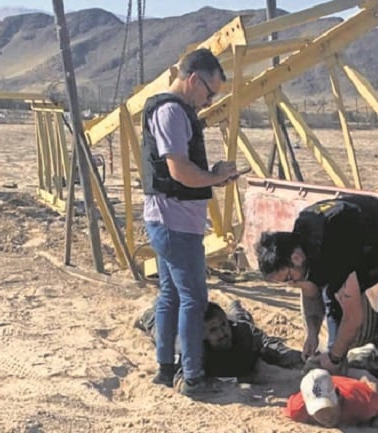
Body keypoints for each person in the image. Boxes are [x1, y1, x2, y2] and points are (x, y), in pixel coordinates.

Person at [255, 195, 378, 409]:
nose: (292, 283)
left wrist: (334, 357)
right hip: (365, 244)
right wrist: (312, 334)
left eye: (290, 278)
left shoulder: (334, 247)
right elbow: (310, 291)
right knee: (331, 298)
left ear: (297, 258)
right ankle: (337, 373)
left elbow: (354, 318)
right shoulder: (301, 244)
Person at [141, 47, 239, 398]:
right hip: (175, 222)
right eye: (209, 92)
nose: (207, 100)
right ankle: (193, 374)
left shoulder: (172, 111)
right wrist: (214, 178)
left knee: (170, 295)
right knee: (193, 299)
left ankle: (166, 368)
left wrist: (213, 176)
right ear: (194, 80)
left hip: (169, 219)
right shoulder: (171, 112)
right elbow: (179, 171)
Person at [136, 300, 304, 381]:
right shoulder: (191, 351)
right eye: (213, 331)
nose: (222, 332)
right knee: (161, 331)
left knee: (240, 318)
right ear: (202, 335)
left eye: (223, 326)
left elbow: (269, 344)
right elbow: (181, 378)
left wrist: (296, 356)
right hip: (182, 332)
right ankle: (150, 315)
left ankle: (234, 307)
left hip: (235, 326)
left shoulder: (242, 331)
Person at [284, 368, 378, 427]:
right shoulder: (297, 409)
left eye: (329, 405)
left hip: (354, 383)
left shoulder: (364, 403)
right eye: (318, 410)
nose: (327, 417)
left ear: (338, 395)